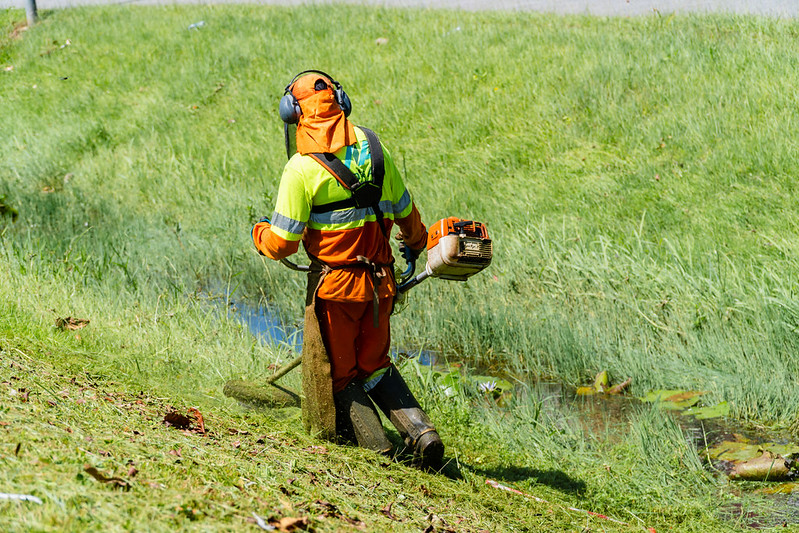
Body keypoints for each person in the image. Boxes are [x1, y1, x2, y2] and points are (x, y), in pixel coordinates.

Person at [251, 70, 444, 468]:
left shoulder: (301, 169)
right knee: (375, 365)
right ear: (341, 101)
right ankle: (424, 435)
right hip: (382, 285)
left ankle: (381, 452)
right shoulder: (375, 148)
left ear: (293, 113)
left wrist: (260, 235)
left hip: (336, 293)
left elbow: (284, 242)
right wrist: (416, 243)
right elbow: (407, 215)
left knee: (340, 376)